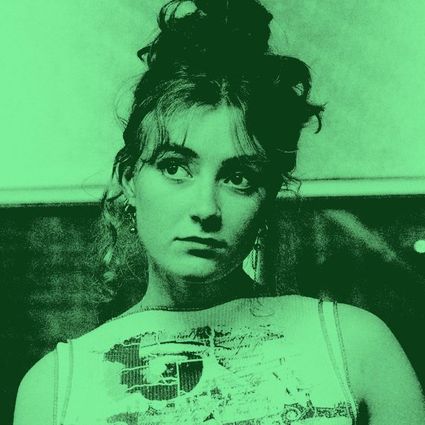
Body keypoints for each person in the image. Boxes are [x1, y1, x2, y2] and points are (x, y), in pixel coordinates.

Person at [14, 0, 425, 424]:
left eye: (238, 177)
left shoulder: (355, 347)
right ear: (129, 179)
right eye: (175, 167)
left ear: (268, 196)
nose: (206, 209)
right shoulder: (55, 390)